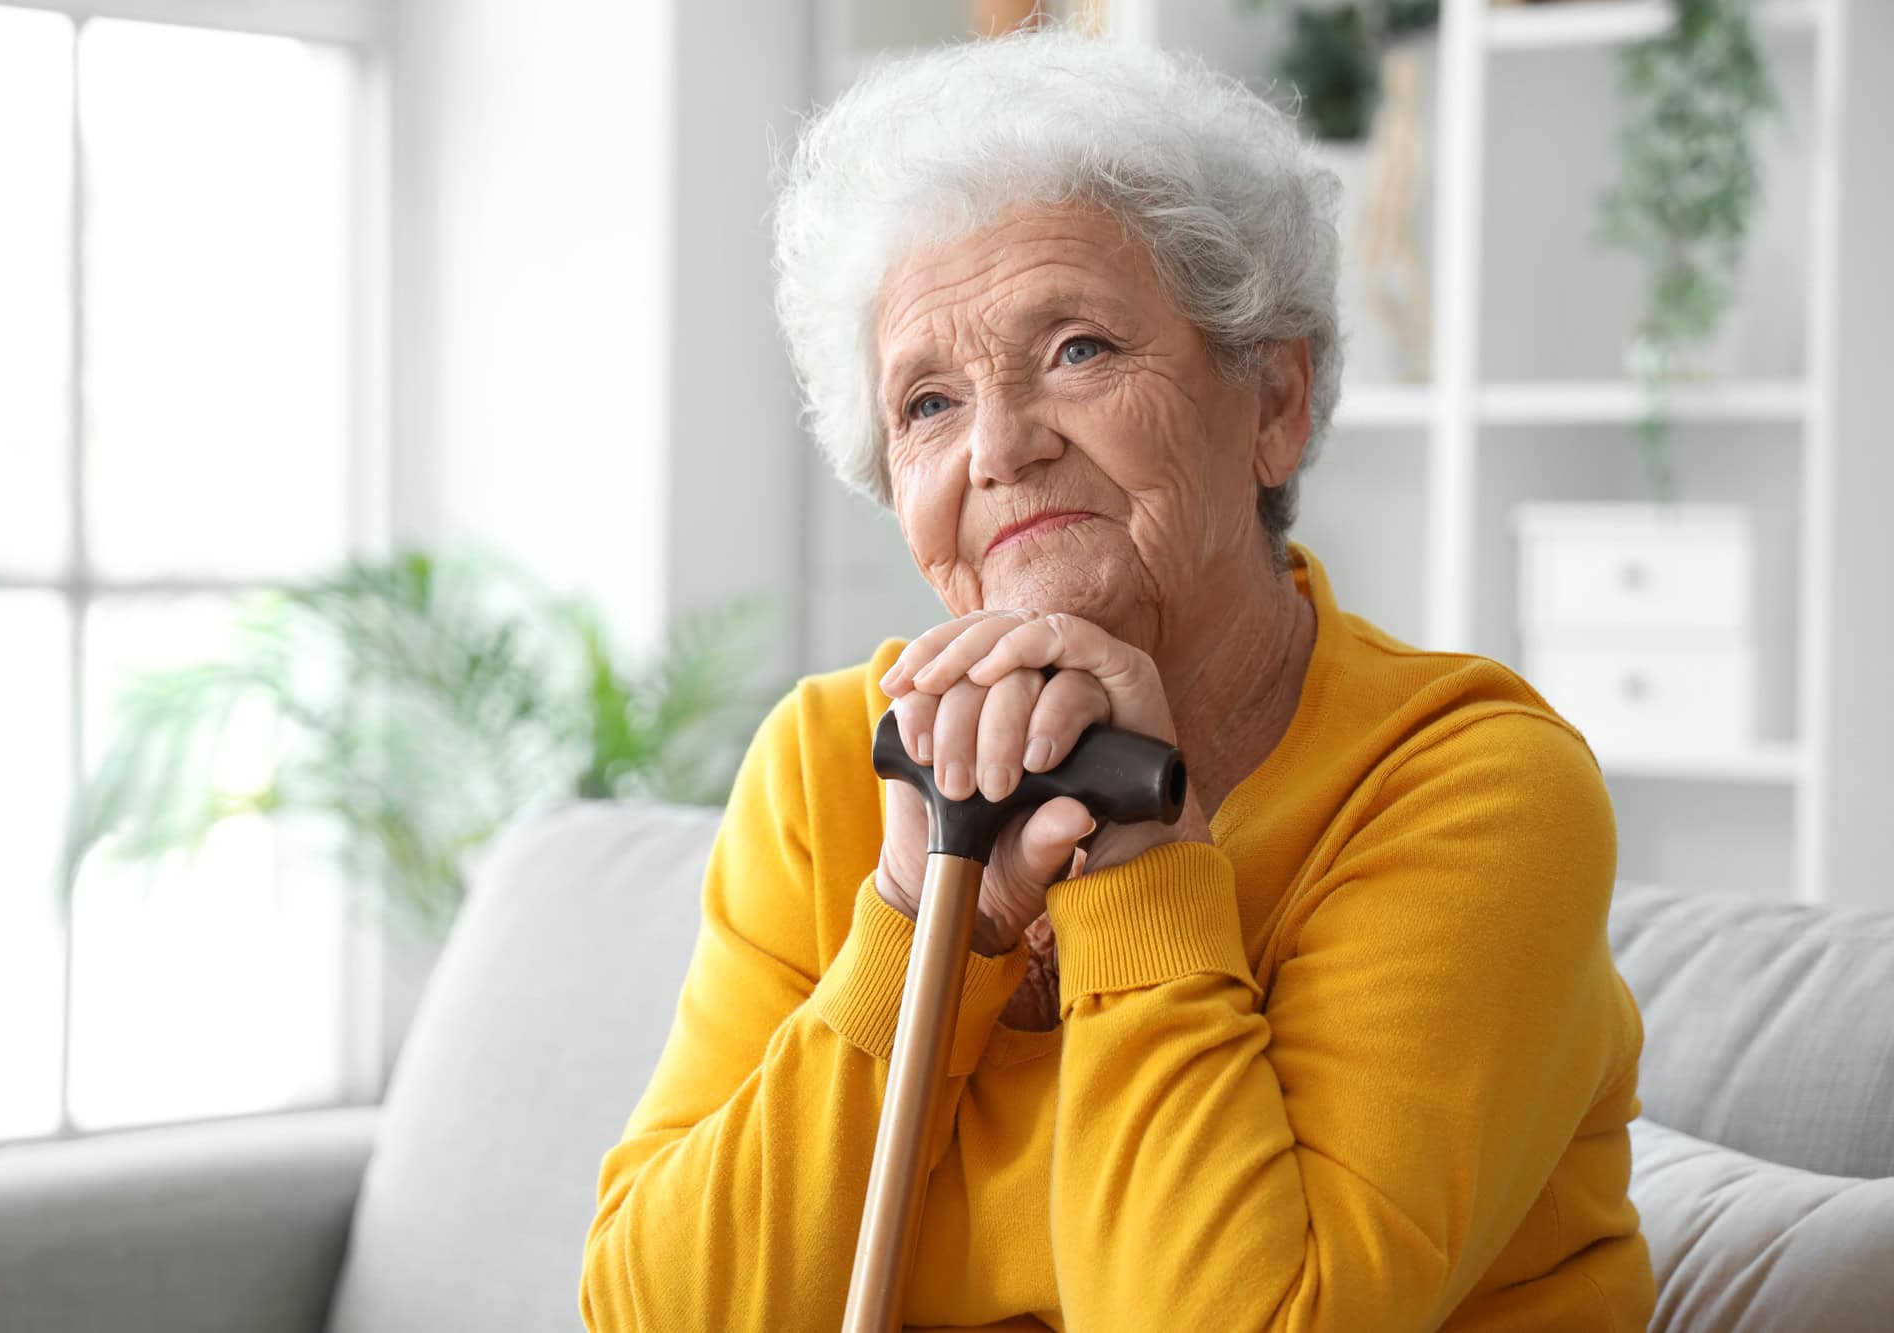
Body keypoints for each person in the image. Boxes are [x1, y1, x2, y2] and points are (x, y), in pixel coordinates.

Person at [581, 22, 1654, 1332]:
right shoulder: (834, 765)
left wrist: (1143, 875)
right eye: (927, 402)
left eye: (1079, 347)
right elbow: (655, 1311)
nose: (1001, 447)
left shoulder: (1469, 786)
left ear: (1274, 403)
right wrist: (923, 920)